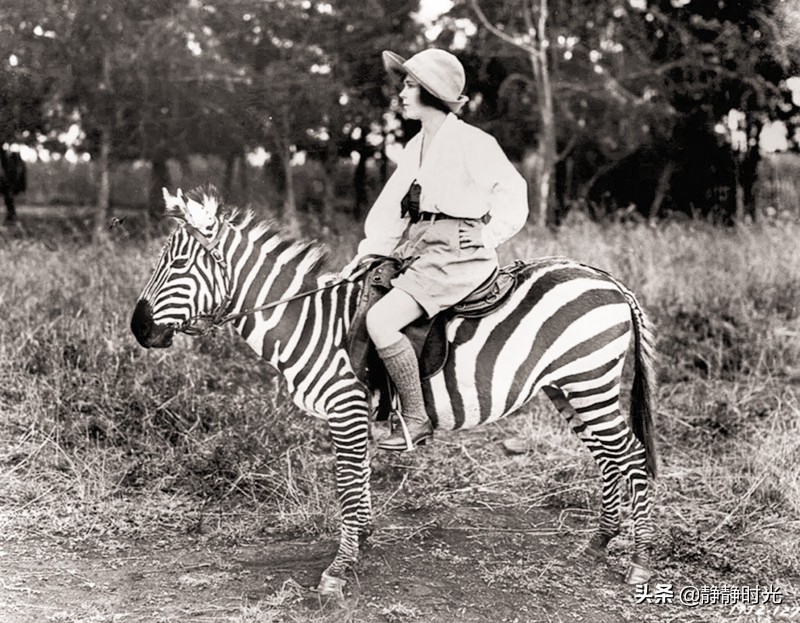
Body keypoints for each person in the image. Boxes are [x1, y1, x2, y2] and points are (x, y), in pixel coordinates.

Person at [342, 48, 529, 452]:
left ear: (429, 92)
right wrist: (369, 253)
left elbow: (513, 193)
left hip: (458, 256)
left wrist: (488, 235)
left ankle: (415, 417)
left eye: (409, 85)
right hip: (422, 249)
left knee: (382, 321)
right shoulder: (415, 147)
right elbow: (393, 210)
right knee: (362, 294)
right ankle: (377, 404)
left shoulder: (472, 142)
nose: (403, 94)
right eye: (405, 85)